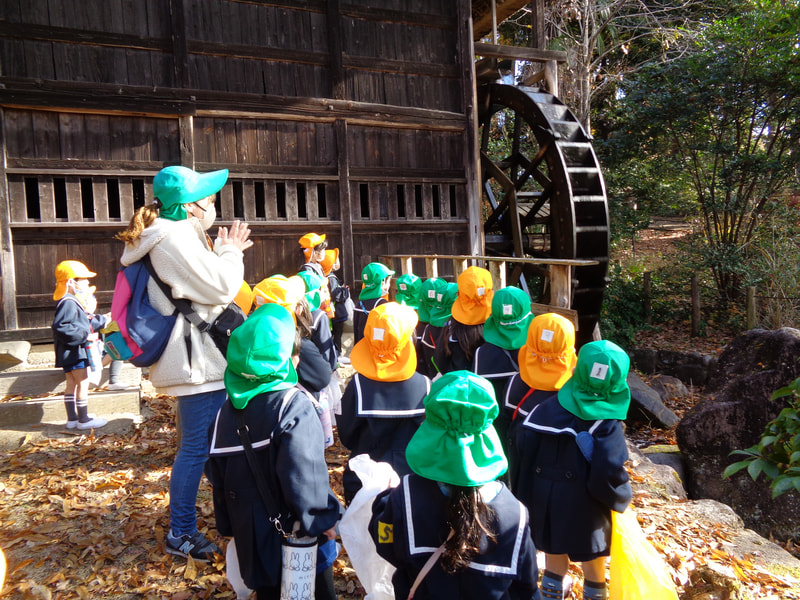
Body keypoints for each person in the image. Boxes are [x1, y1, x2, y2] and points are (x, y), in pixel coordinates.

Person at [116, 165, 252, 560]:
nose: (212, 202)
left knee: (210, 445)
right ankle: (182, 532)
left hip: (197, 358)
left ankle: (223, 513)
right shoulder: (172, 239)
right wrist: (230, 251)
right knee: (195, 449)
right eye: (206, 197)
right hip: (197, 362)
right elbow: (222, 286)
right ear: (188, 205)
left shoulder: (176, 232)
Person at [206, 303, 342, 600]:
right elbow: (304, 473)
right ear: (286, 361)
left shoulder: (223, 414)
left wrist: (228, 526)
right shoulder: (293, 406)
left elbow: (218, 477)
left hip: (252, 538)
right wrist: (323, 521)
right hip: (299, 536)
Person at [369, 371, 541, 600]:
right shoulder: (515, 514)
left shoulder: (406, 496)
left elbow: (385, 543)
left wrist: (385, 496)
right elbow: (526, 587)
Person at [511, 340, 633, 600]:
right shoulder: (606, 425)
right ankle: (594, 594)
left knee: (554, 557)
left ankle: (551, 593)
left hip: (544, 499)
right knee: (593, 561)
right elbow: (609, 470)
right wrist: (621, 498)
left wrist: (525, 496)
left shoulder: (544, 409)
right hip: (587, 506)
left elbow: (523, 452)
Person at [337, 302, 430, 504]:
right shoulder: (425, 386)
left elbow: (346, 435)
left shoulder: (358, 386)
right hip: (413, 484)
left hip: (365, 483)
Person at [51, 260, 110, 430]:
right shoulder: (69, 302)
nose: (87, 282)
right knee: (83, 382)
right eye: (83, 279)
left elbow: (80, 322)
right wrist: (85, 335)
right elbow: (61, 326)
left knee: (71, 383)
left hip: (68, 352)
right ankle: (83, 420)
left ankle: (72, 419)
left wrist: (100, 320)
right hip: (75, 351)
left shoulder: (67, 300)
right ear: (71, 281)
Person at [433, 266, 493, 375]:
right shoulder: (496, 324)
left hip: (460, 385)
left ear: (459, 293)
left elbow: (439, 360)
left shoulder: (451, 326)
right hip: (489, 387)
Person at [353, 262, 394, 345]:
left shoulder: (359, 304)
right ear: (383, 281)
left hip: (361, 349)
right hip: (375, 351)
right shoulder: (382, 305)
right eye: (389, 280)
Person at [321, 248, 350, 360]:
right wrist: (345, 290)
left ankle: (334, 354)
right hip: (337, 313)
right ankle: (337, 355)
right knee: (337, 335)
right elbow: (335, 295)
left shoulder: (325, 277)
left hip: (332, 313)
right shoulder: (331, 278)